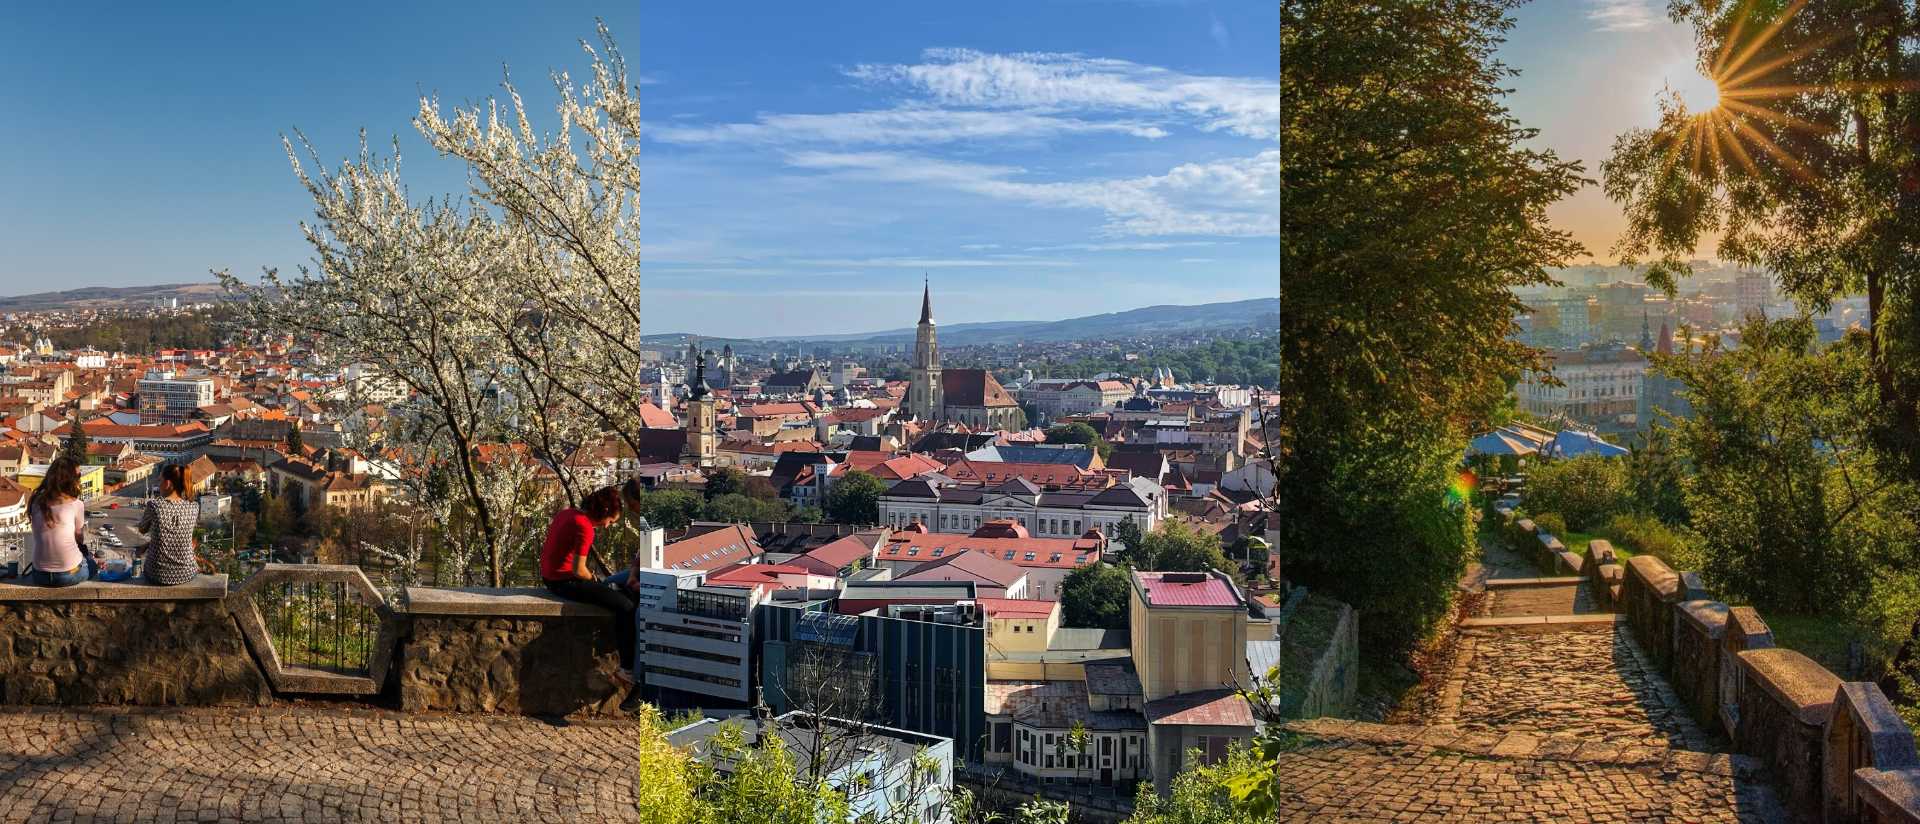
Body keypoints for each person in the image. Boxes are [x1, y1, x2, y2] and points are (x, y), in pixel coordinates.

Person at [539, 485, 636, 686]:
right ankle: (627, 669)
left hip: (550, 577)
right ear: (605, 512)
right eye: (610, 521)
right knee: (626, 607)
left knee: (614, 592)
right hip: (564, 581)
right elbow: (578, 569)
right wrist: (594, 580)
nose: (608, 526)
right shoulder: (584, 527)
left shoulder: (567, 513)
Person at [26, 456, 95, 587]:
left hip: (39, 575)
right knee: (92, 564)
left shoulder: (35, 501)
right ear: (70, 480)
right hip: (67, 575)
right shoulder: (76, 504)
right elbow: (79, 538)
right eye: (78, 476)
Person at [136, 464, 201, 585]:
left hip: (156, 574)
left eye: (160, 480)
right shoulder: (194, 507)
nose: (158, 483)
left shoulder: (154, 506)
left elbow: (142, 529)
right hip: (186, 573)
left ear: (167, 483)